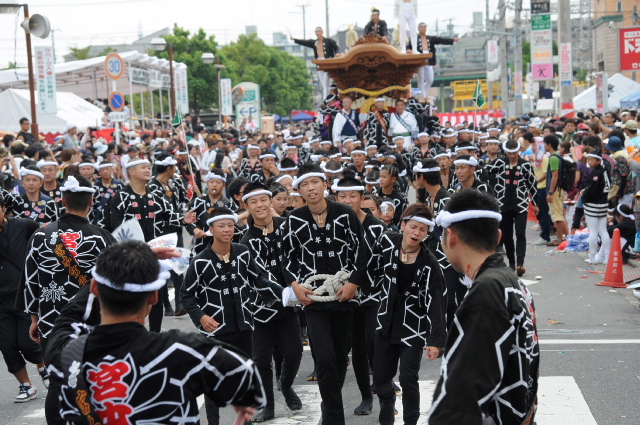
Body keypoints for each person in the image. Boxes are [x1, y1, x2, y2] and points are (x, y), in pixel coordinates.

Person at [45, 240, 265, 425]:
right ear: (154, 297)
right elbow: (245, 375)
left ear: (95, 288)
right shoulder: (183, 350)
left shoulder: (65, 353)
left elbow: (68, 318)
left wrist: (111, 272)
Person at [429, 189, 539, 425]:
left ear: (451, 236)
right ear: (498, 236)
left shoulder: (487, 291)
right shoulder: (512, 282)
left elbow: (459, 400)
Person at [20, 175, 117, 425]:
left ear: (62, 200)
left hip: (51, 322)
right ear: (92, 201)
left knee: (57, 381)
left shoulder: (41, 235)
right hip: (93, 321)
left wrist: (34, 319)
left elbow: (30, 281)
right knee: (94, 378)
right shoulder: (103, 237)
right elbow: (116, 284)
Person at [281, 164, 368, 425]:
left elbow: (361, 251)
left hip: (343, 297)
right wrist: (294, 285)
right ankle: (335, 419)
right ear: (299, 191)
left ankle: (328, 409)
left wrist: (353, 283)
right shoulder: (294, 218)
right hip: (313, 300)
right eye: (305, 185)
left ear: (324, 184)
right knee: (325, 359)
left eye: (315, 182)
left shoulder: (345, 213)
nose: (311, 188)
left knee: (340, 359)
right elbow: (286, 258)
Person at [180, 207, 283, 425]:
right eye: (221, 226)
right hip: (215, 331)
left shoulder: (243, 252)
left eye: (230, 225)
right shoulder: (200, 261)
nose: (227, 230)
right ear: (211, 229)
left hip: (243, 327)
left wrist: (285, 293)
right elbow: (186, 295)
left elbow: (259, 279)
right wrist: (201, 317)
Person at [372, 203, 447, 425]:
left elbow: (437, 303)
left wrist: (435, 341)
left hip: (413, 325)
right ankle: (388, 403)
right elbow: (370, 269)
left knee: (408, 377)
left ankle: (410, 422)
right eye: (413, 227)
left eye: (423, 229)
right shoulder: (386, 242)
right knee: (381, 379)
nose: (417, 233)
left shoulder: (430, 263)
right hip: (385, 321)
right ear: (403, 225)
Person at [105, 158, 196, 330]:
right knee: (131, 296)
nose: (148, 170)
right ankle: (131, 333)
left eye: (149, 167)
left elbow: (169, 215)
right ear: (132, 172)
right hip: (130, 255)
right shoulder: (121, 197)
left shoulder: (156, 195)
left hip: (155, 254)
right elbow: (117, 227)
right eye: (143, 167)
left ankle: (154, 334)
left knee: (157, 299)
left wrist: (183, 219)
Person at [239, 183, 303, 421]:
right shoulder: (245, 241)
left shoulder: (287, 227)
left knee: (294, 352)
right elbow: (259, 276)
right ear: (247, 207)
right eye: (253, 202)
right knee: (262, 360)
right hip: (259, 309)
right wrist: (286, 292)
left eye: (263, 200)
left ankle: (285, 385)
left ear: (270, 201)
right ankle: (268, 406)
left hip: (289, 305)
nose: (260, 205)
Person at [334, 175, 386, 415]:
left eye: (352, 196)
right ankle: (366, 396)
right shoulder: (334, 225)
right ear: (336, 198)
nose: (347, 201)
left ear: (361, 198)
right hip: (346, 297)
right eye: (342, 196)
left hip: (375, 295)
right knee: (357, 348)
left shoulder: (377, 227)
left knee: (374, 341)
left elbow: (386, 264)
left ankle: (384, 390)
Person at [0, 193, 47, 403]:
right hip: (0, 303)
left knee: (28, 343)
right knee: (7, 346)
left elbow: (45, 239)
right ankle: (26, 385)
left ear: (3, 209)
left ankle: (44, 369)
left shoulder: (23, 225)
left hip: (23, 297)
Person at [413, 159, 465, 328]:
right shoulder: (430, 198)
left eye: (416, 176)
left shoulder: (446, 199)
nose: (415, 180)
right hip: (434, 257)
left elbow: (453, 230)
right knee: (438, 298)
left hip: (448, 259)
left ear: (422, 177)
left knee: (449, 300)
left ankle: (454, 336)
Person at [485, 140, 538, 276]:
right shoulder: (499, 163)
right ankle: (512, 263)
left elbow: (532, 185)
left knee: (520, 233)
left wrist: (535, 203)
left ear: (518, 151)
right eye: (509, 152)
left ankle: (520, 264)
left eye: (514, 152)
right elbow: (484, 172)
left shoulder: (526, 165)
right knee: (507, 236)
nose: (512, 155)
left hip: (521, 204)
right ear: (506, 152)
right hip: (503, 204)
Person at [148, 153, 190, 316]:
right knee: (163, 268)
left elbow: (183, 200)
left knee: (179, 266)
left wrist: (191, 192)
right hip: (161, 232)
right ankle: (166, 304)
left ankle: (180, 302)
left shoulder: (176, 182)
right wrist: (182, 219)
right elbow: (163, 212)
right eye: (174, 167)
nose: (175, 170)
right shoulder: (152, 186)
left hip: (176, 229)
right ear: (168, 168)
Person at [190, 169, 235, 253]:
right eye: (211, 182)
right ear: (207, 183)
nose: (214, 185)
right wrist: (195, 230)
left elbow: (234, 223)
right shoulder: (198, 202)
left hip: (223, 246)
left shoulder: (229, 204)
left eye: (218, 182)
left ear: (224, 185)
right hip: (201, 245)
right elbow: (188, 221)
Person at [406, 23, 458, 94]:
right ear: (418, 29)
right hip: (419, 60)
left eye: (424, 27)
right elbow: (408, 46)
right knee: (421, 80)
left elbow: (441, 40)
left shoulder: (431, 39)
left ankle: (421, 94)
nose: (423, 28)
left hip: (428, 60)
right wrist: (409, 50)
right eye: (421, 27)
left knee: (430, 80)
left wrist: (452, 40)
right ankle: (422, 95)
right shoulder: (414, 39)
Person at [580, 149, 611, 264]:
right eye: (588, 159)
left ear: (598, 161)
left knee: (593, 230)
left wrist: (584, 195)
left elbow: (592, 190)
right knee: (603, 230)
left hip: (593, 204)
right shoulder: (605, 171)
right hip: (603, 203)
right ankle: (607, 257)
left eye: (592, 160)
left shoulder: (596, 173)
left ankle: (592, 257)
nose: (589, 162)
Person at [292, 27, 340, 98]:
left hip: (327, 62)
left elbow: (336, 47)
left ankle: (326, 99)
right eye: (316, 32)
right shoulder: (314, 42)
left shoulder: (328, 41)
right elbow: (305, 42)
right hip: (319, 63)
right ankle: (327, 98)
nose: (318, 33)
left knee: (326, 82)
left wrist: (337, 53)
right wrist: (295, 39)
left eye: (319, 31)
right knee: (323, 84)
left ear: (322, 32)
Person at [544, 134, 570, 246]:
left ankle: (559, 239)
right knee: (560, 214)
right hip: (559, 189)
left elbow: (555, 176)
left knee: (557, 216)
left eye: (545, 144)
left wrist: (550, 192)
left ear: (549, 145)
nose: (544, 146)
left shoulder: (553, 158)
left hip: (555, 190)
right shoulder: (558, 156)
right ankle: (568, 237)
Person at [91, 161, 122, 227]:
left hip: (117, 221)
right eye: (102, 170)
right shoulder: (95, 188)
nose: (105, 171)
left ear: (112, 170)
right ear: (99, 172)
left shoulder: (120, 185)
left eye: (107, 169)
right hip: (100, 222)